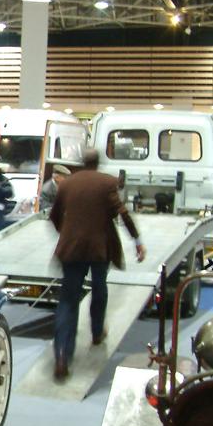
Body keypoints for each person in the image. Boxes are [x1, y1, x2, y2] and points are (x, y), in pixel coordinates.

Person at [49, 148, 146, 380]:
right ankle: (96, 332)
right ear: (98, 162)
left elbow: (54, 215)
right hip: (99, 248)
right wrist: (137, 240)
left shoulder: (67, 184)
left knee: (68, 301)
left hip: (71, 249)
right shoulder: (107, 183)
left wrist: (67, 232)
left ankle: (62, 356)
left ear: (83, 162)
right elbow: (122, 213)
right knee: (99, 288)